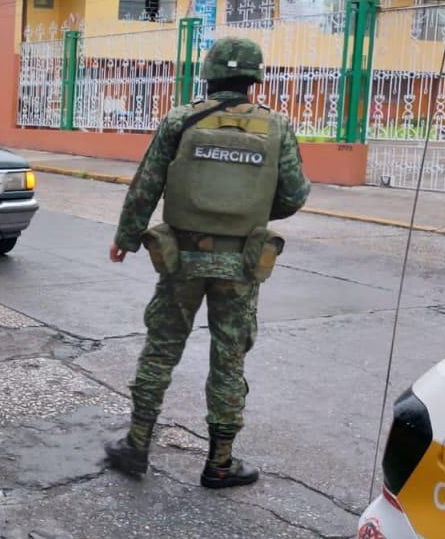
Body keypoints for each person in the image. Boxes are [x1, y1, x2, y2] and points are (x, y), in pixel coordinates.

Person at [104, 37, 311, 489]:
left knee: (161, 348)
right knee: (229, 357)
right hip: (240, 264)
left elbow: (147, 185)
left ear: (210, 74)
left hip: (181, 259)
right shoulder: (276, 127)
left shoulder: (182, 119)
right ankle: (220, 462)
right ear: (255, 80)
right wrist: (248, 210)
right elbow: (294, 195)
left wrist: (125, 238)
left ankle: (136, 445)